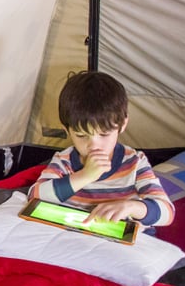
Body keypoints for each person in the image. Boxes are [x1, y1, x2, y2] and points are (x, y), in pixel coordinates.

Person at [29, 70, 174, 230]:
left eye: (104, 134)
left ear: (122, 125)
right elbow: (34, 196)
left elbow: (167, 212)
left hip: (122, 240)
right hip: (78, 237)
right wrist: (85, 176)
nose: (94, 145)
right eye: (81, 135)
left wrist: (131, 207)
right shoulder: (64, 161)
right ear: (67, 130)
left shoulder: (134, 162)